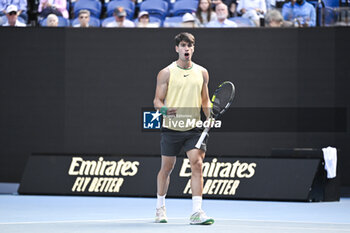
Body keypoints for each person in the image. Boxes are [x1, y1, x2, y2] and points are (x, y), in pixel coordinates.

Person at [153, 32, 214, 225]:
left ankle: (197, 212)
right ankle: (160, 207)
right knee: (167, 168)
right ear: (177, 48)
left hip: (194, 128)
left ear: (193, 48)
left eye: (190, 45)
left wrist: (209, 115)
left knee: (197, 164)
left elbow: (205, 99)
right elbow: (157, 100)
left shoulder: (202, 72)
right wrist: (163, 109)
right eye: (183, 45)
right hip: (171, 127)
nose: (186, 48)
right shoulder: (166, 72)